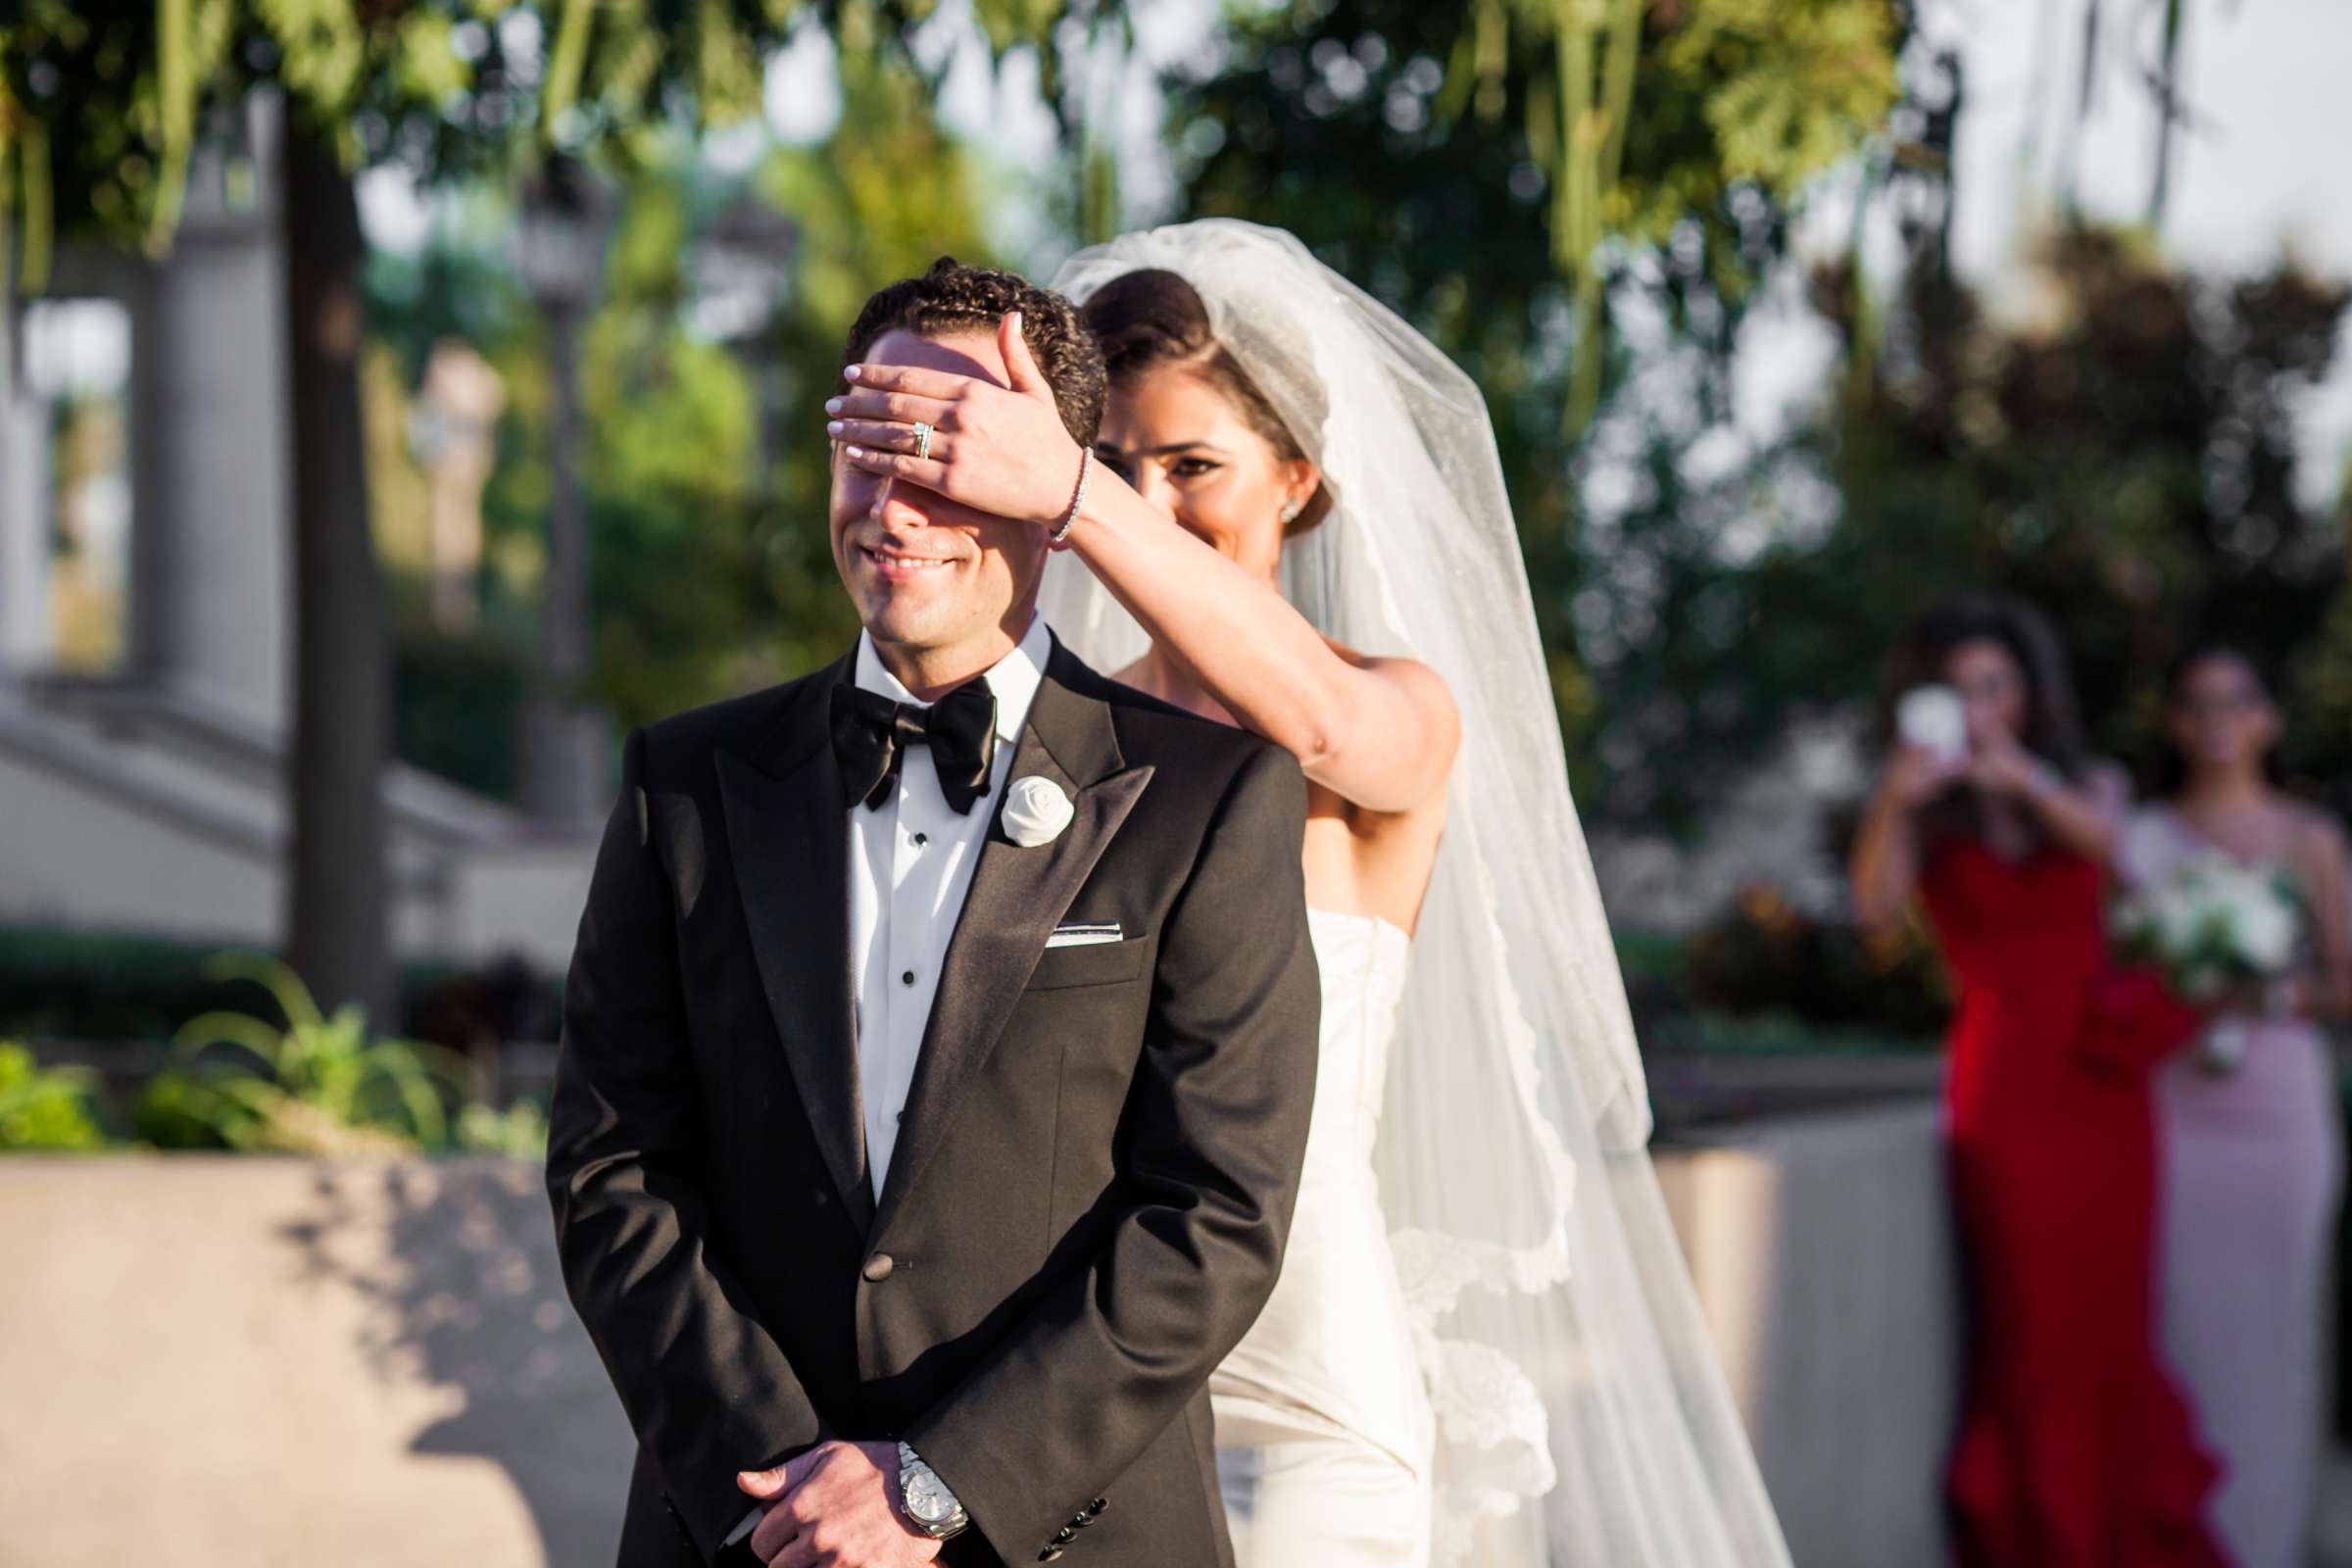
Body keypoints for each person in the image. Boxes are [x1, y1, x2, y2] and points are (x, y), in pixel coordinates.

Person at [823, 218, 1788, 1568]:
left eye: (1192, 466)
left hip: (1304, 1412)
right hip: (1045, 1408)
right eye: (1112, 466)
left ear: (1299, 483)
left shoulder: (1397, 718)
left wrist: (1073, 494)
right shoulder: (1051, 747)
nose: (1147, 504)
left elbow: (1321, 732)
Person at [545, 258, 1323, 1568]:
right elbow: (612, 1171)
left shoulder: (1209, 801)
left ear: (1042, 479)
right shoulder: (684, 785)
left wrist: (932, 1485)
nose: (897, 504)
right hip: (748, 1534)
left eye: (948, 449)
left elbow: (1216, 1218)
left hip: (1075, 1531)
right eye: (868, 447)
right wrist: (784, 1491)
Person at [1848, 594, 2229, 1567]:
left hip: (2104, 1093)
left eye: (1995, 684)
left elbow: (2130, 859)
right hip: (2005, 1093)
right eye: (1958, 688)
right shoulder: (1924, 813)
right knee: (2032, 1335)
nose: (1979, 706)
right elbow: (1875, 919)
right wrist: (1896, 796)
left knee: (2112, 1327)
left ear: (2025, 692)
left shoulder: (2081, 783)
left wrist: (2019, 780)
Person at [2122, 643, 2350, 1568]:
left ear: (2267, 720)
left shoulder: (2309, 839)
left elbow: (2346, 980)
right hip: (2175, 1109)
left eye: (2237, 702)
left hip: (2280, 1112)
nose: (2217, 722)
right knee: (2179, 1325)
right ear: (2176, 723)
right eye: (2197, 704)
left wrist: (2273, 994)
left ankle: (2265, 1540)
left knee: (2278, 1331)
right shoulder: (2141, 835)